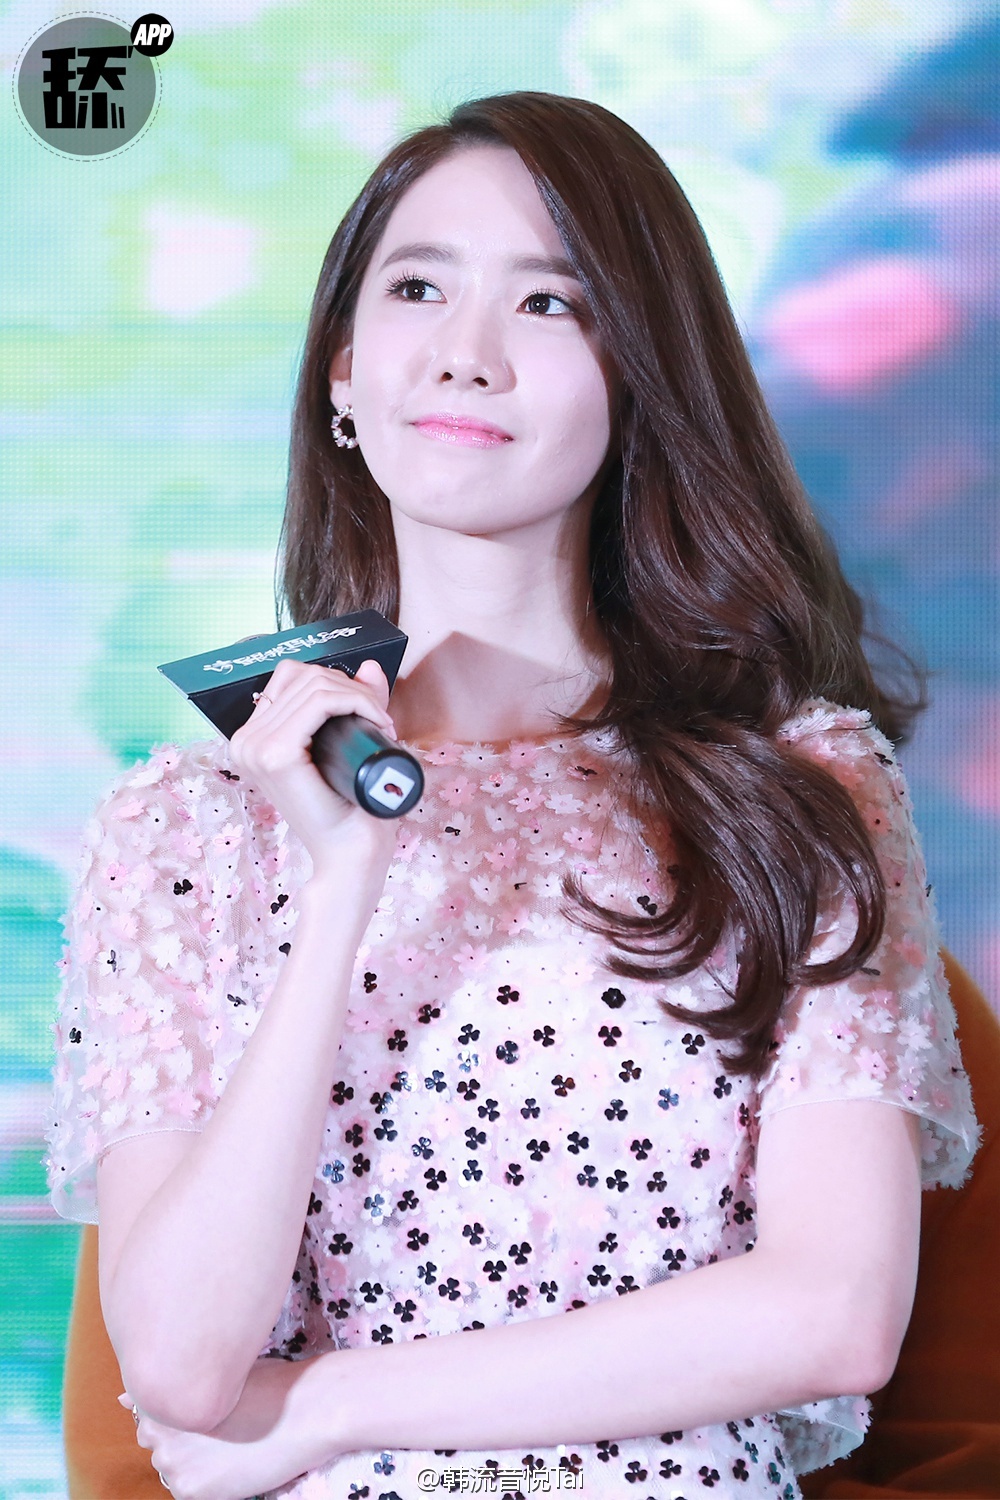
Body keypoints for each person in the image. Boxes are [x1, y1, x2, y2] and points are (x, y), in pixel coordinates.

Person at [45, 91, 981, 1500]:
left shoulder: (802, 787)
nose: (467, 353)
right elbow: (179, 1371)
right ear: (344, 373)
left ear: (636, 380)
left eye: (549, 304)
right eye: (419, 289)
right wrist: (343, 883)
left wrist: (331, 1406)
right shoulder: (188, 824)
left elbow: (835, 1314)